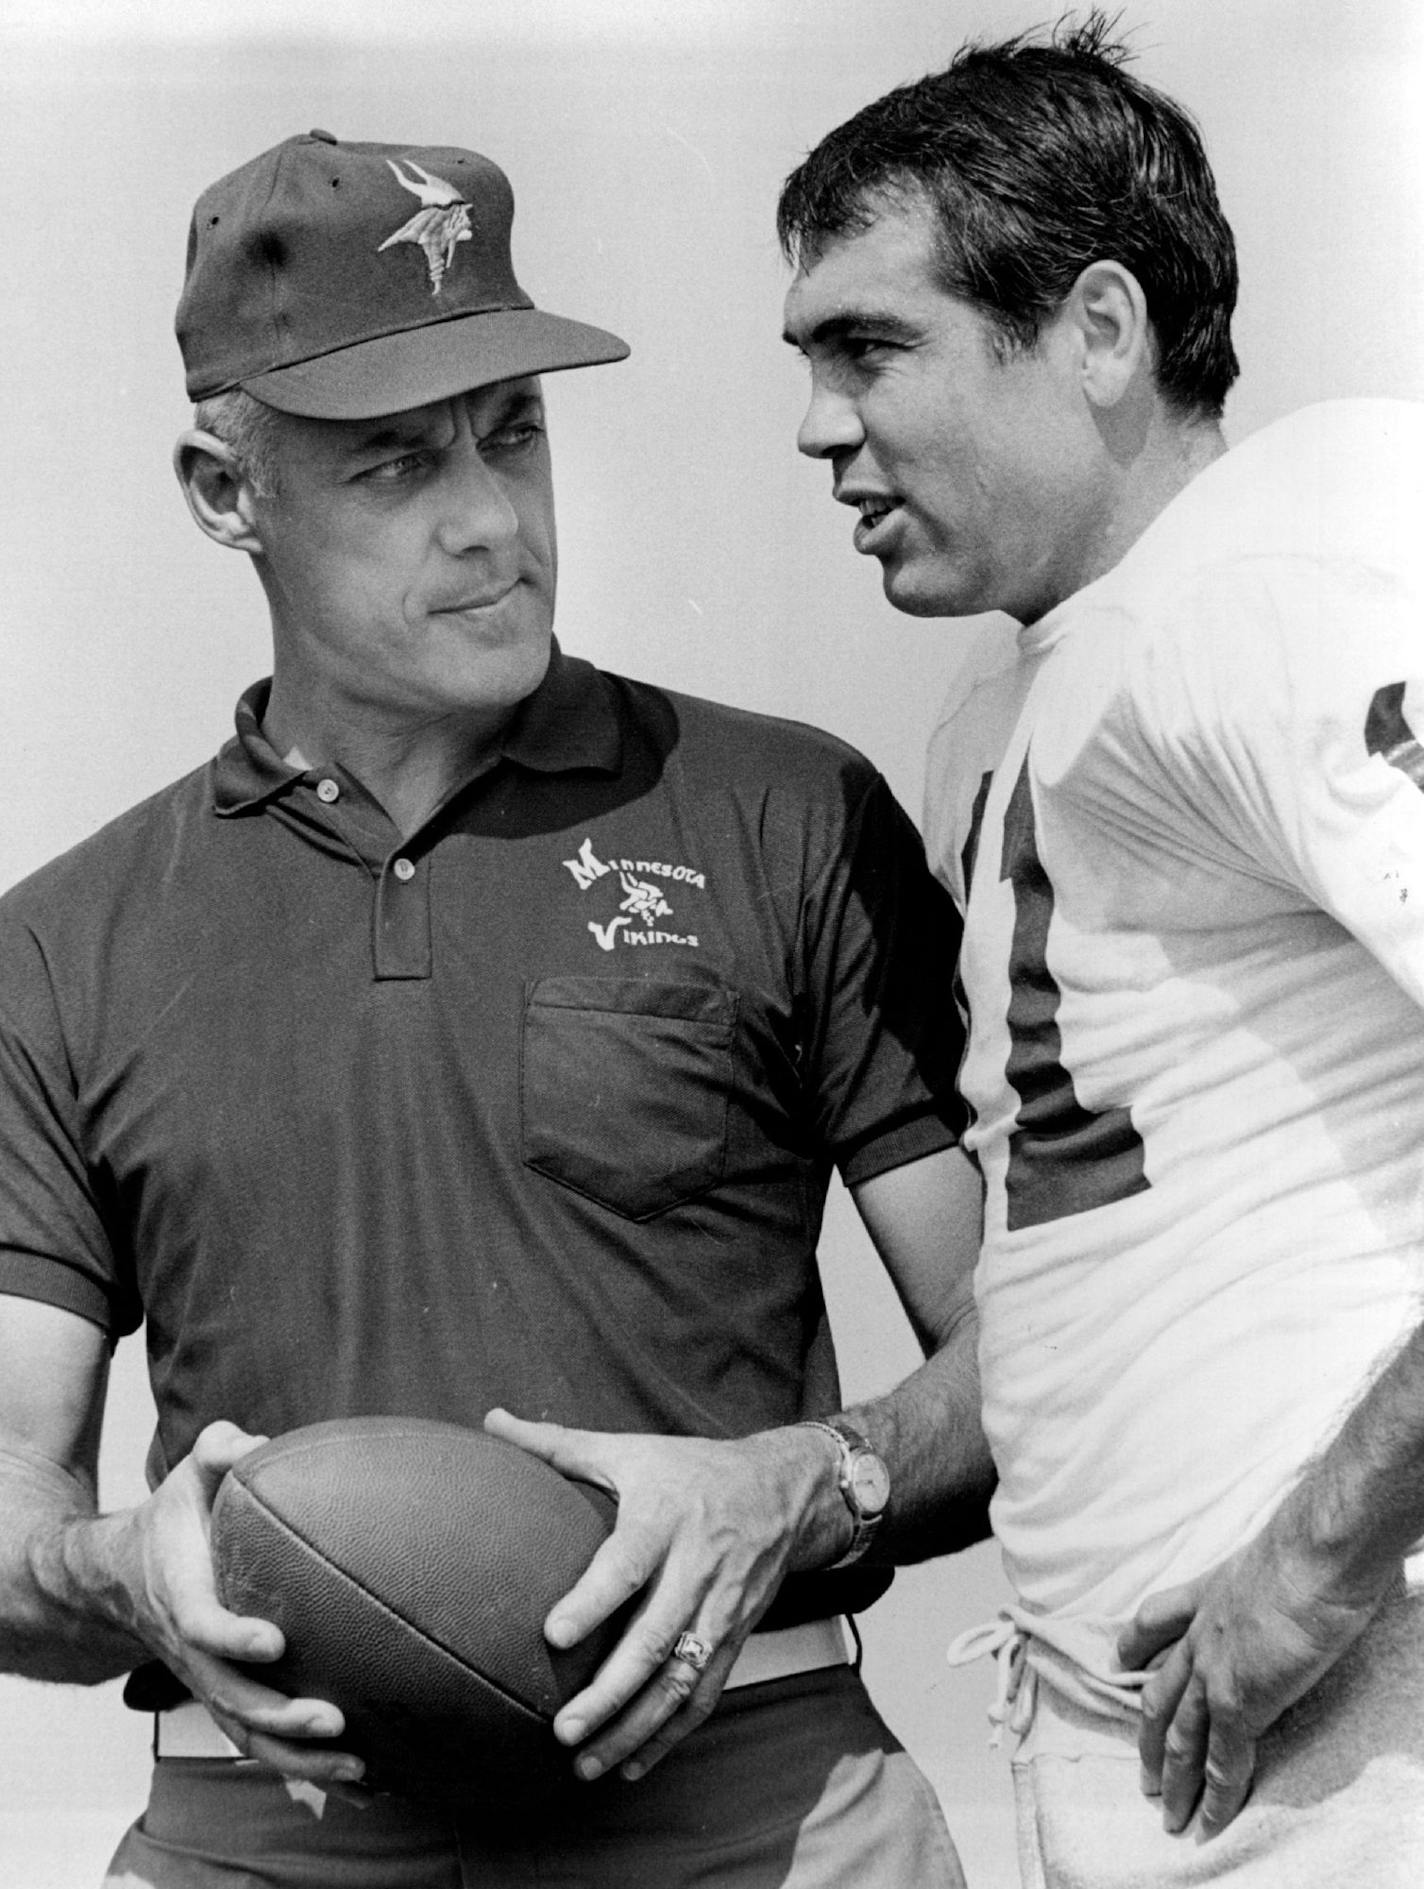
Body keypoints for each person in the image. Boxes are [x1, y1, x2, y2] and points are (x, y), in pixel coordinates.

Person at [0, 131, 992, 1886]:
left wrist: (799, 1484)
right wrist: (119, 1567)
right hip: (270, 1827)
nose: (491, 519)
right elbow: (10, 1504)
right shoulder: (64, 944)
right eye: (395, 462)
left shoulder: (787, 814)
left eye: (514, 431)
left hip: (750, 1800)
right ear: (224, 490)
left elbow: (1054, 1349)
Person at [778, 14, 1424, 1887]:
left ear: (1101, 330)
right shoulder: (1003, 708)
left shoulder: (1290, 567)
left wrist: (1319, 1554)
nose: (820, 423)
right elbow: (1082, 1248)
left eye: (871, 345)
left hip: (1349, 1723)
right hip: (1140, 1728)